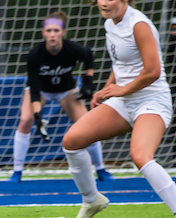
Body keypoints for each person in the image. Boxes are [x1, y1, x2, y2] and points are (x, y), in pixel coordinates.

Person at [61, 0, 176, 218]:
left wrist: (121, 90)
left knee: (140, 155)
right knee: (71, 141)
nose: (103, 2)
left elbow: (152, 71)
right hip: (123, 100)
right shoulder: (109, 23)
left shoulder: (139, 24)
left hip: (152, 99)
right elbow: (122, 64)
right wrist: (106, 89)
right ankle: (92, 200)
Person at [8, 10, 113, 183]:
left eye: (56, 30)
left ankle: (101, 169)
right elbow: (34, 87)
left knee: (89, 124)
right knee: (26, 120)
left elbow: (89, 56)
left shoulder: (72, 49)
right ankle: (17, 171)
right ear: (43, 33)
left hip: (66, 91)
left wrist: (87, 81)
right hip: (40, 91)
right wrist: (37, 115)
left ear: (63, 32)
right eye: (48, 31)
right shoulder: (35, 54)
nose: (52, 35)